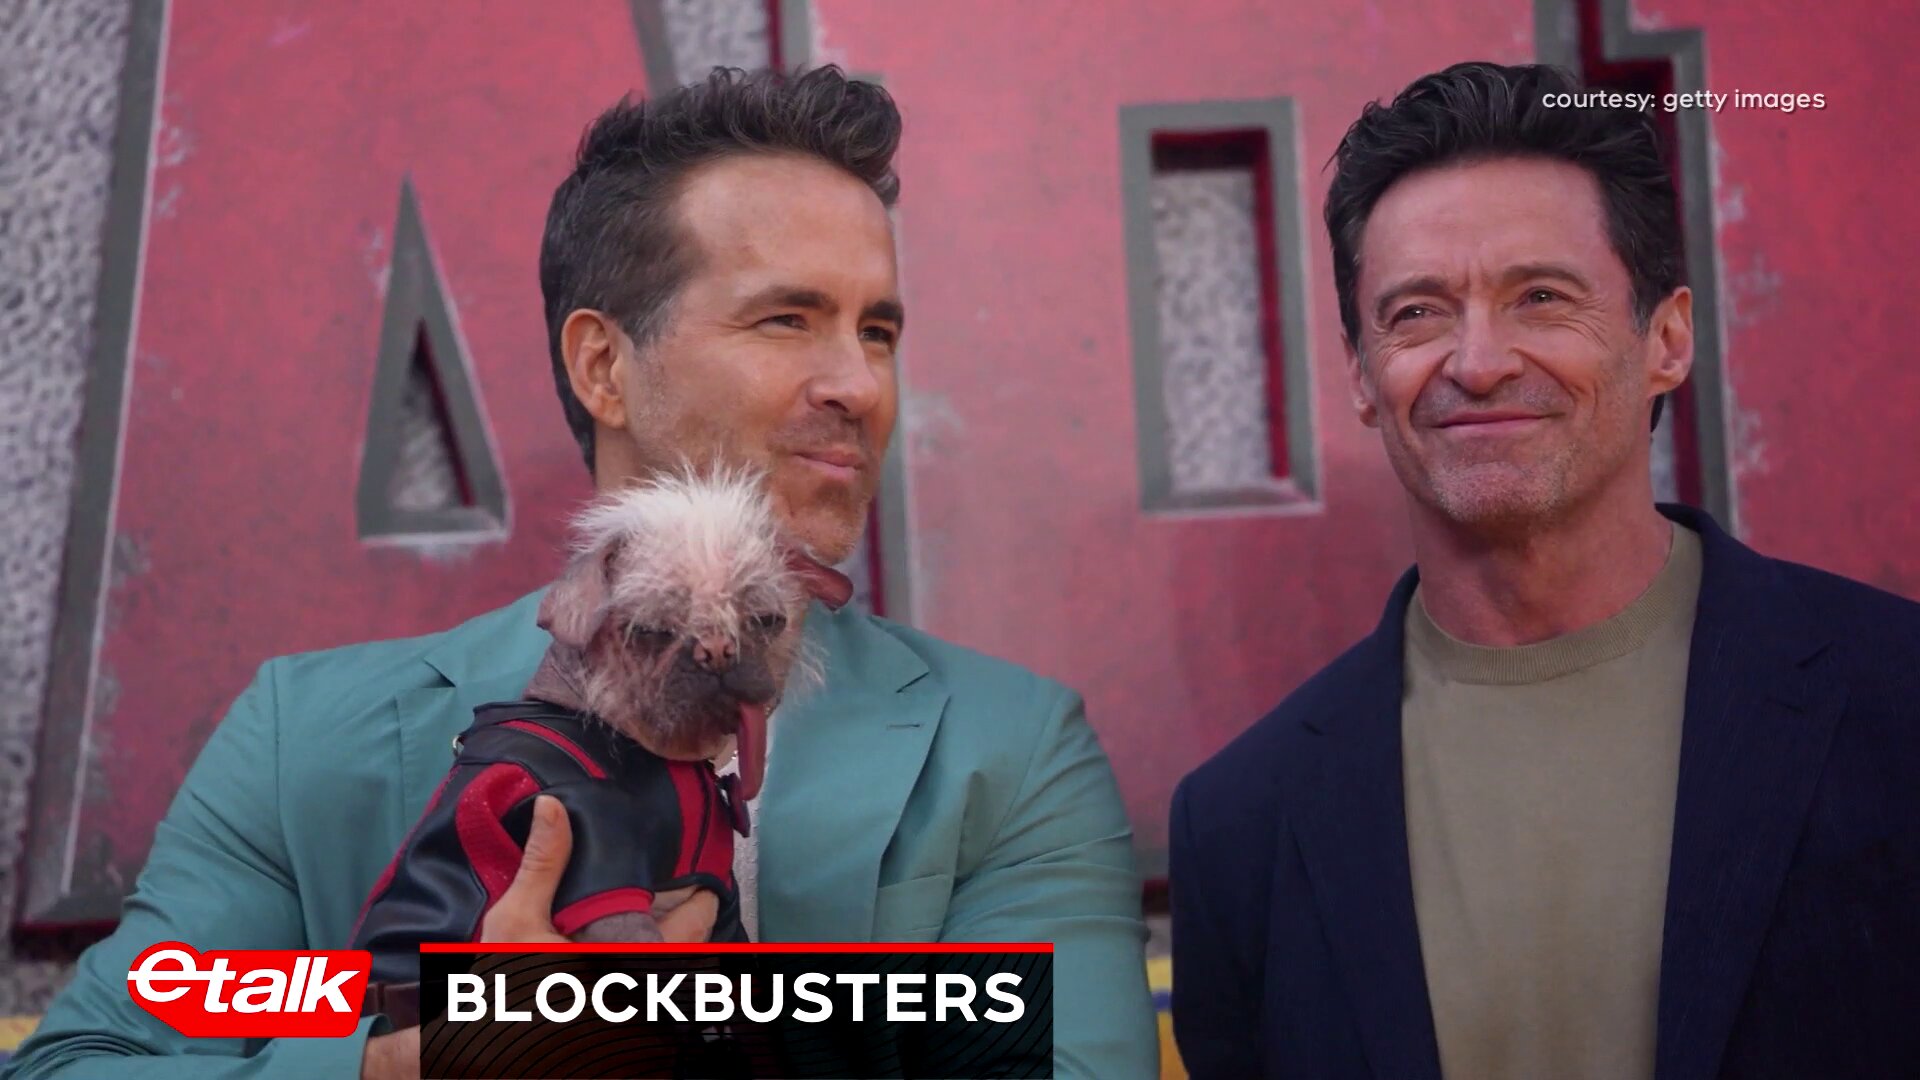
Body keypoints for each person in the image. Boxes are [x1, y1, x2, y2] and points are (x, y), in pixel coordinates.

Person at [6, 66, 1157, 1080]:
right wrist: (415, 1062)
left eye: (879, 332)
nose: (858, 384)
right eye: (786, 320)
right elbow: (98, 1059)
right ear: (604, 365)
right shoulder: (305, 740)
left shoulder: (1007, 750)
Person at [1169, 61, 1920, 1080]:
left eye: (1541, 298)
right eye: (1418, 312)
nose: (1478, 362)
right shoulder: (1242, 825)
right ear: (1360, 375)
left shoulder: (1896, 702)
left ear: (1666, 339)